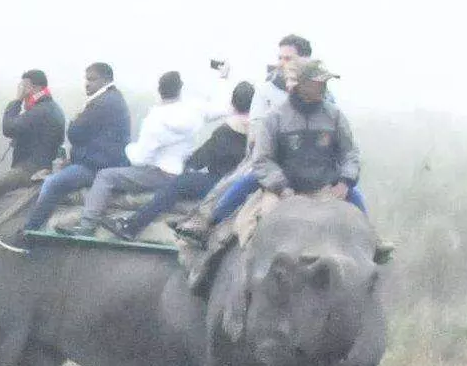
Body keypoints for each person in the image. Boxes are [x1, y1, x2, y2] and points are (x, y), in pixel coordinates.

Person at [195, 57, 363, 241]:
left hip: (325, 187)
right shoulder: (274, 118)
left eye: (325, 83)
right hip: (282, 189)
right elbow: (263, 159)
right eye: (318, 83)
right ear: (301, 85)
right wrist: (282, 187)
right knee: (257, 222)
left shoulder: (335, 116)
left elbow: (350, 153)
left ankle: (374, 242)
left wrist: (345, 182)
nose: (323, 87)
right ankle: (210, 226)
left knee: (357, 211)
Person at [109, 80, 251, 235]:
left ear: (233, 101)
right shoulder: (257, 129)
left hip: (218, 181)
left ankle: (131, 226)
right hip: (240, 182)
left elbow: (200, 158)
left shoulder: (226, 131)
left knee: (177, 184)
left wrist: (182, 164)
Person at [87, 70, 210, 230]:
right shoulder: (194, 112)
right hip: (180, 173)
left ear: (159, 90)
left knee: (105, 176)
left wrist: (128, 148)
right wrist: (224, 77)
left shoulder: (156, 119)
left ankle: (86, 224)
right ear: (180, 89)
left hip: (159, 173)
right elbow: (224, 108)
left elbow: (140, 159)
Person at [20, 61, 132, 234]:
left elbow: (75, 133)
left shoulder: (102, 103)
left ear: (105, 80)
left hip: (97, 166)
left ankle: (30, 232)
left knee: (52, 183)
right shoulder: (113, 99)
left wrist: (75, 121)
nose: (87, 83)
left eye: (92, 79)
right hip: (100, 161)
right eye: (86, 79)